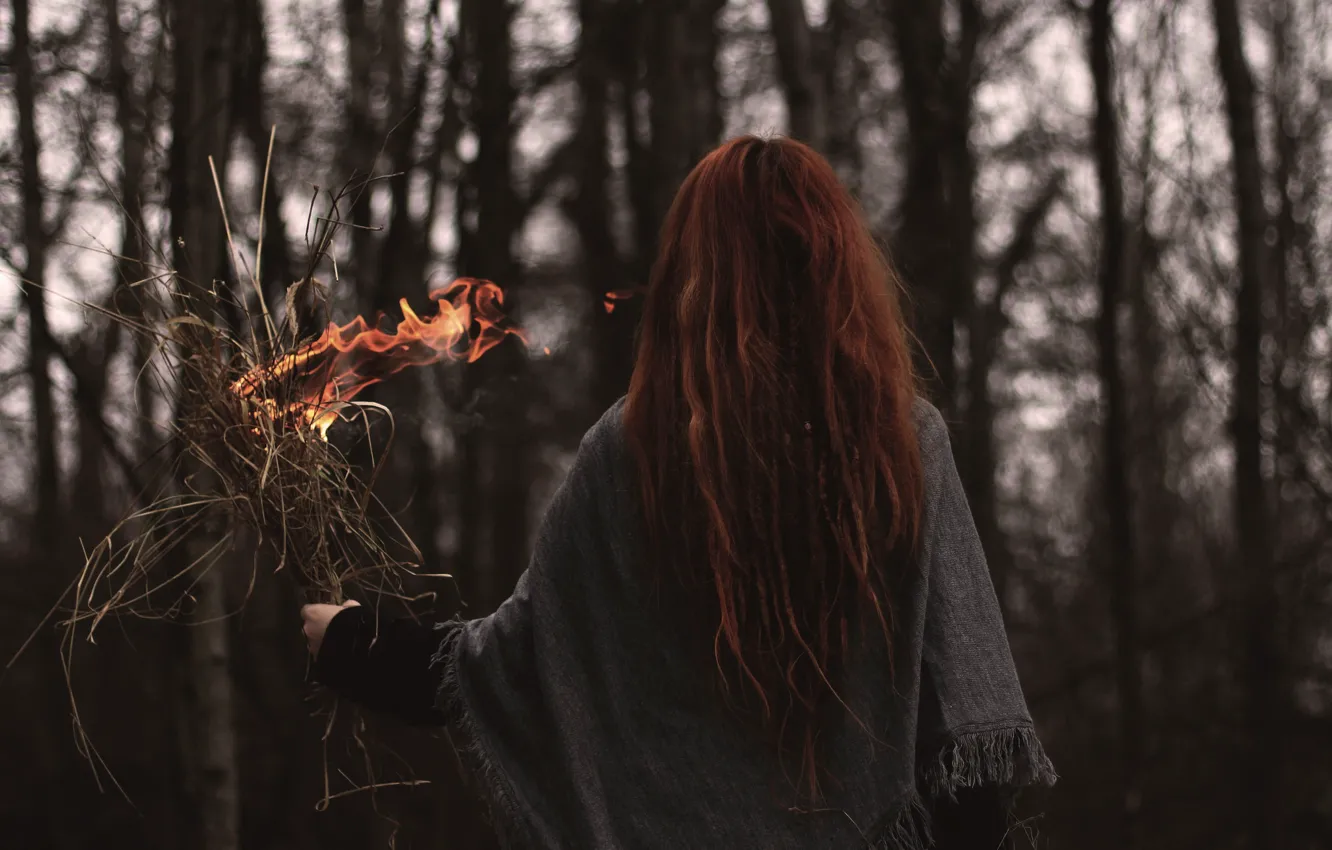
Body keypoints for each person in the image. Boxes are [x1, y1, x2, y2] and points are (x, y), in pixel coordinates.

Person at [303, 135, 1056, 849]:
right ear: (836, 269)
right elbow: (969, 745)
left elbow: (512, 670)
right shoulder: (903, 441)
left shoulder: (637, 448)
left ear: (699, 273)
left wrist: (352, 642)